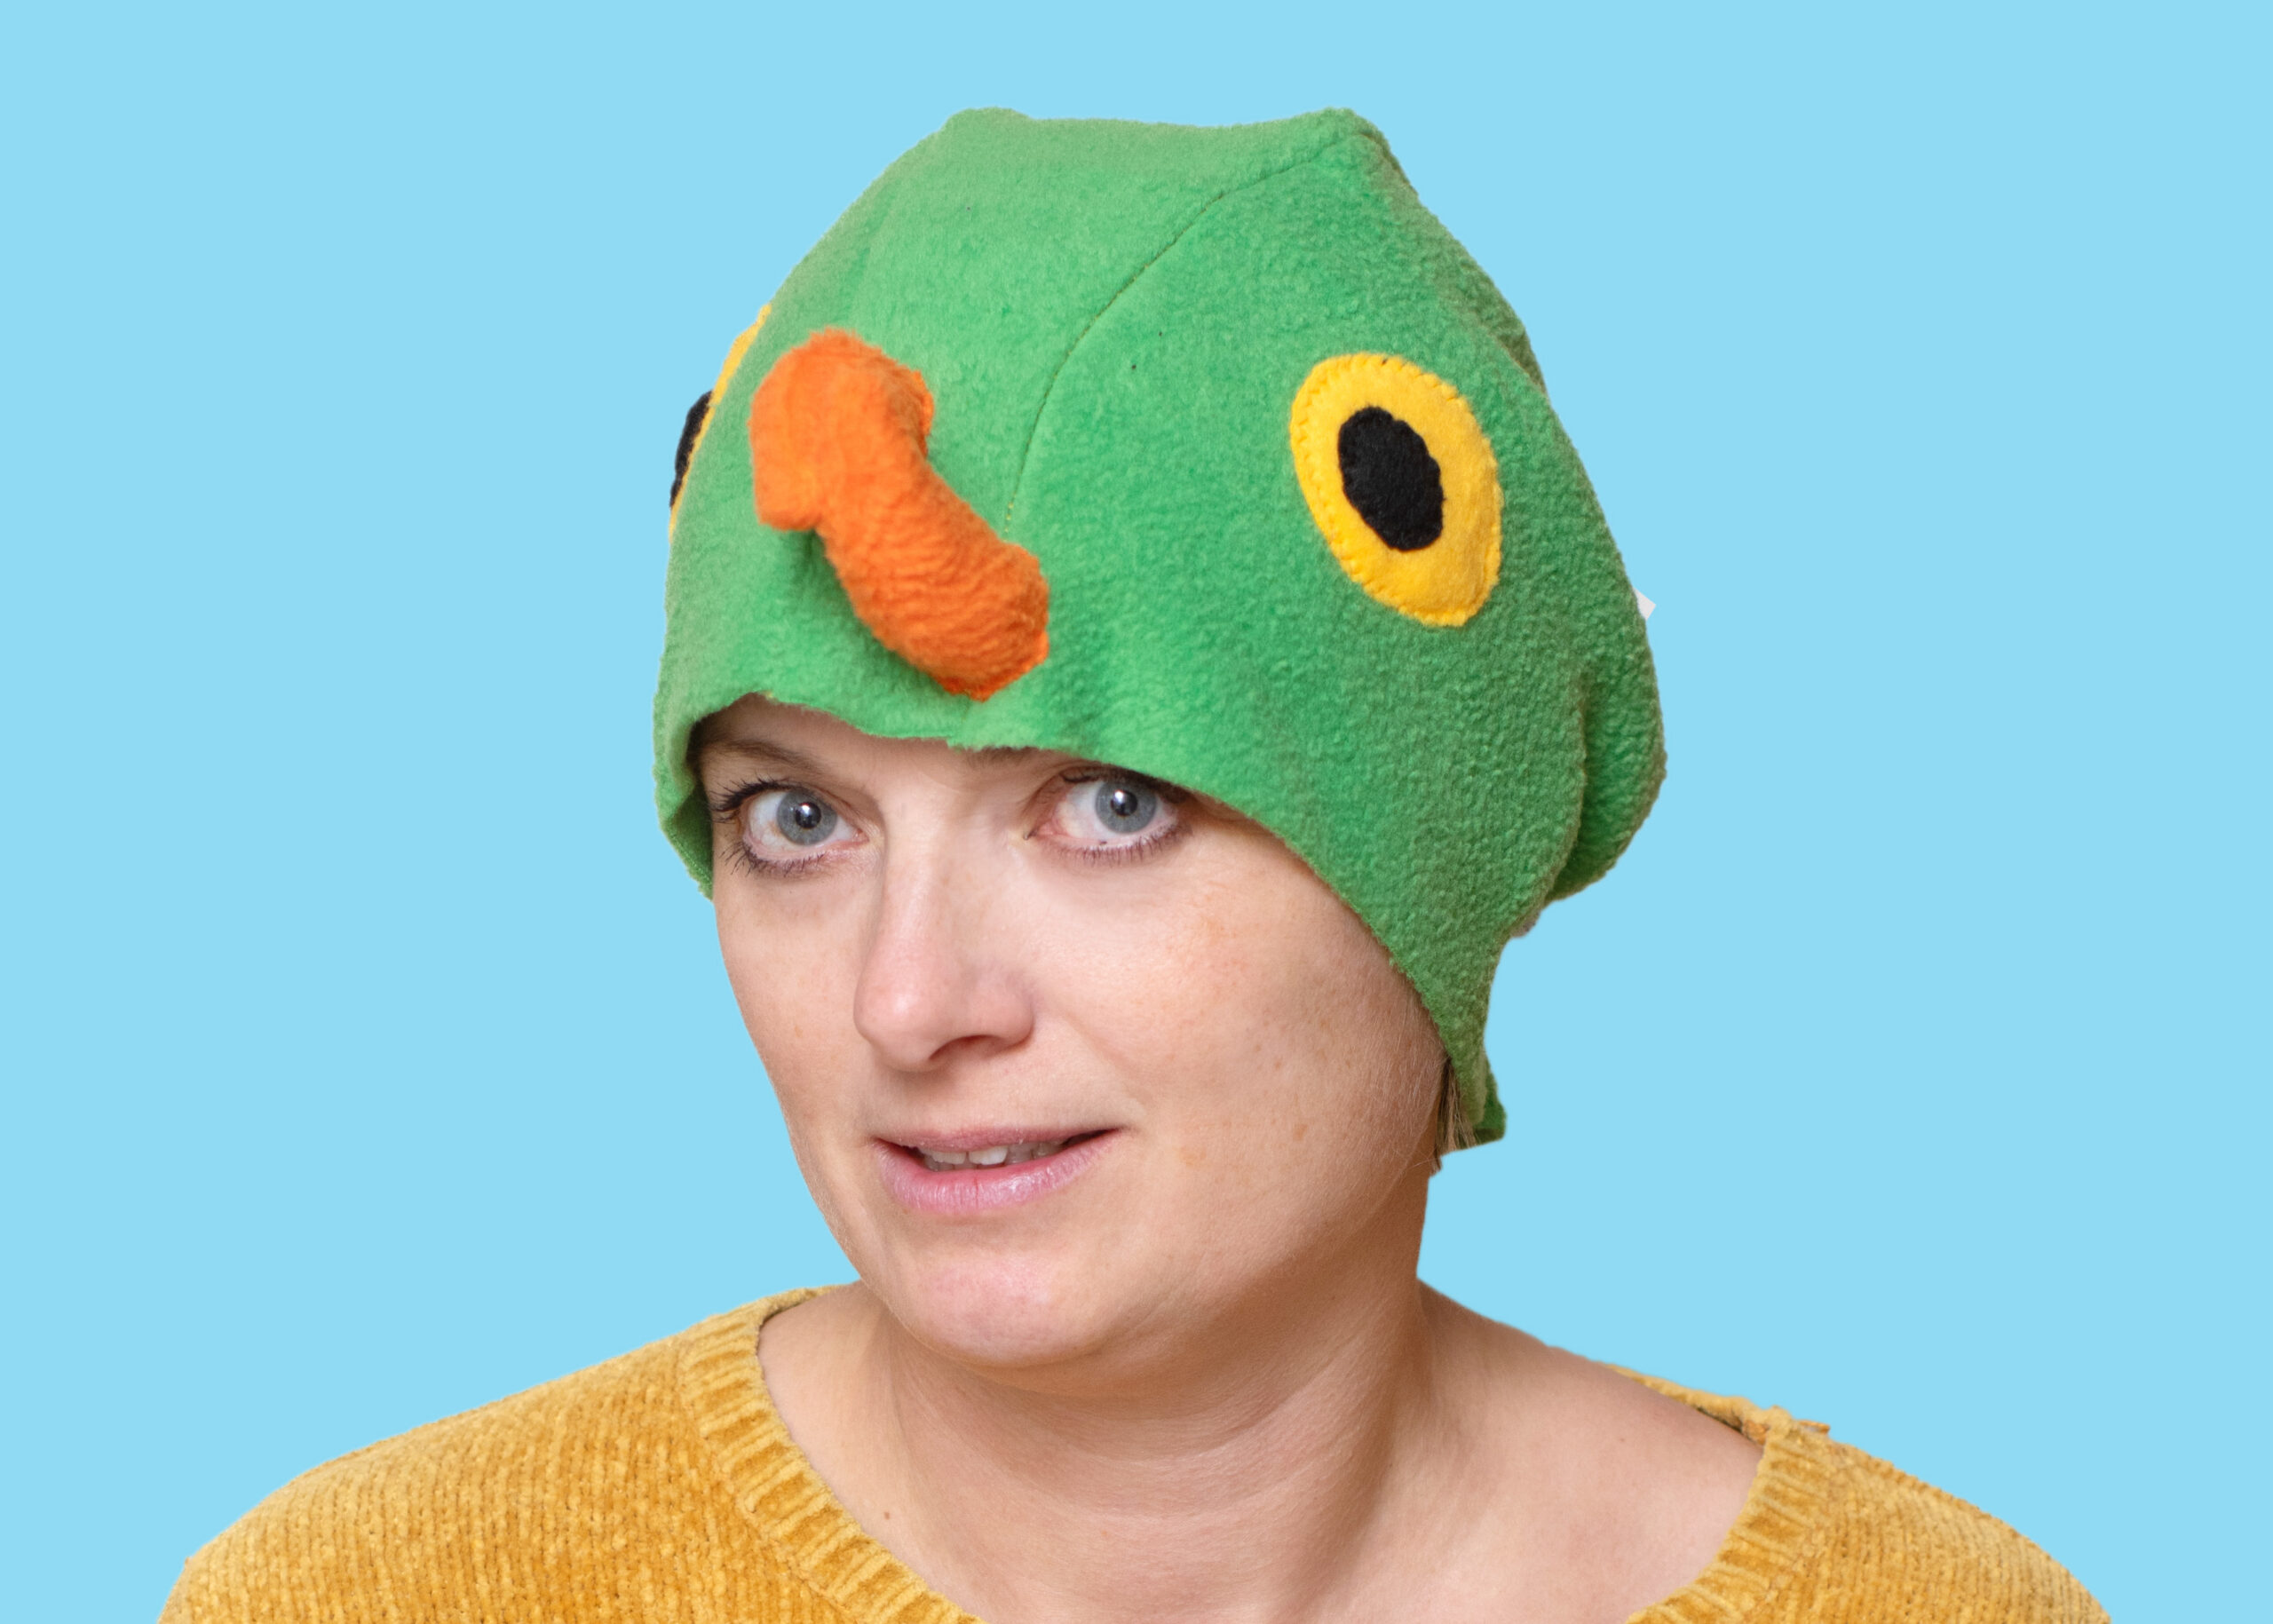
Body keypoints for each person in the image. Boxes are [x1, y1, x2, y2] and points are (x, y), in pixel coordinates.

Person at [162, 108, 2104, 1624]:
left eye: (1109, 804)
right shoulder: (367, 1602)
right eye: (798, 818)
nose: (908, 1004)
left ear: (1433, 852)